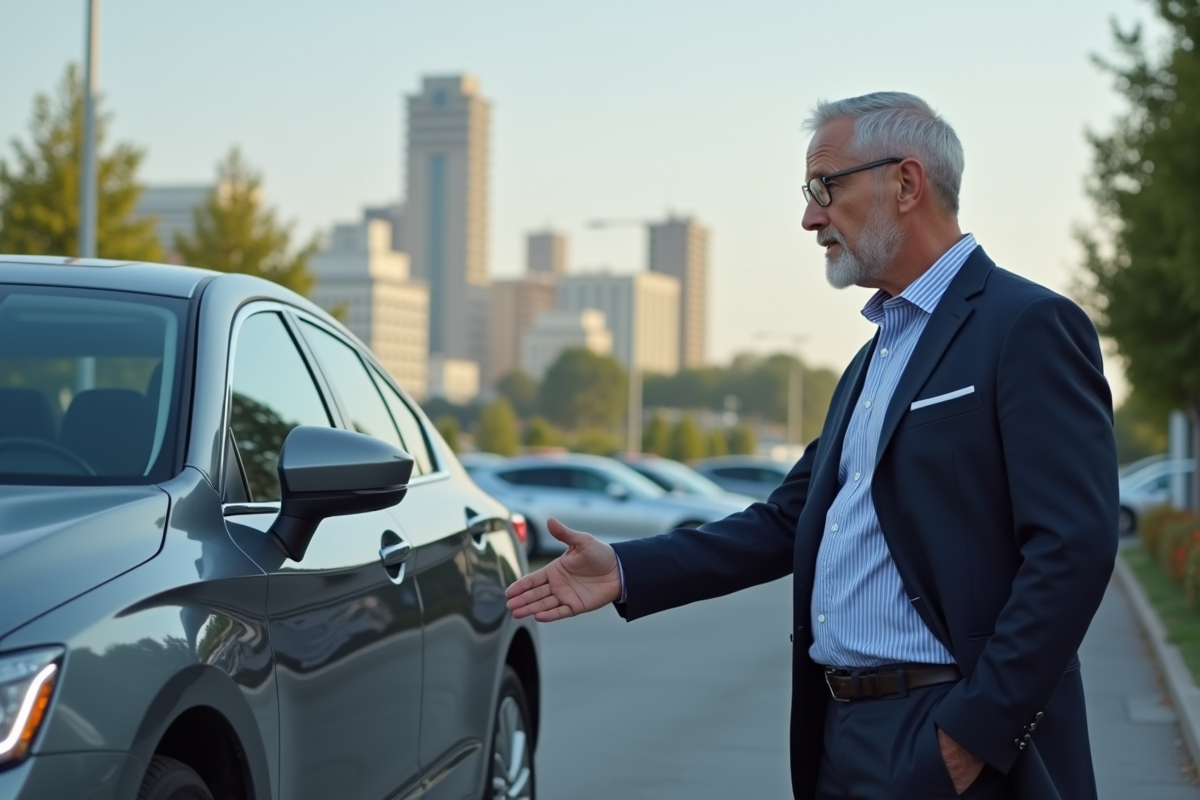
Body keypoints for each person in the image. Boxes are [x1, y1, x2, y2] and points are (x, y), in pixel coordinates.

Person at [505, 92, 1118, 800]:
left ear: (907, 183)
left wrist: (973, 735)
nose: (809, 217)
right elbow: (788, 520)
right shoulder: (873, 358)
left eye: (826, 187)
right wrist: (626, 569)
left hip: (951, 735)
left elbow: (1073, 547)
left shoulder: (1028, 326)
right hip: (840, 734)